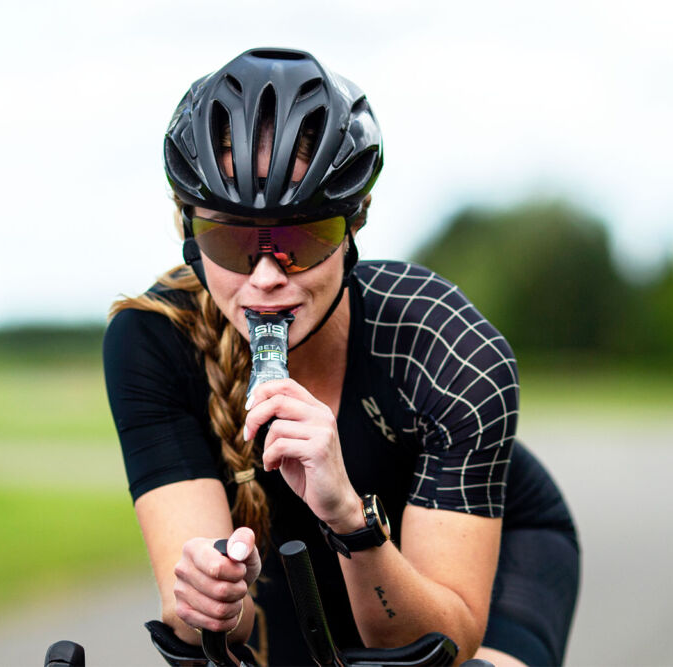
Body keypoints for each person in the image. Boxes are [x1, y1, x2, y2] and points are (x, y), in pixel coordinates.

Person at [104, 47, 579, 666]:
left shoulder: (449, 347)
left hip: (474, 560)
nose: (267, 277)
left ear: (354, 225)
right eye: (231, 239)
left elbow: (440, 647)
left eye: (301, 237)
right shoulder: (156, 339)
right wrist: (208, 597)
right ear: (190, 234)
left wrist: (347, 515)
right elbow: (207, 628)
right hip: (292, 567)